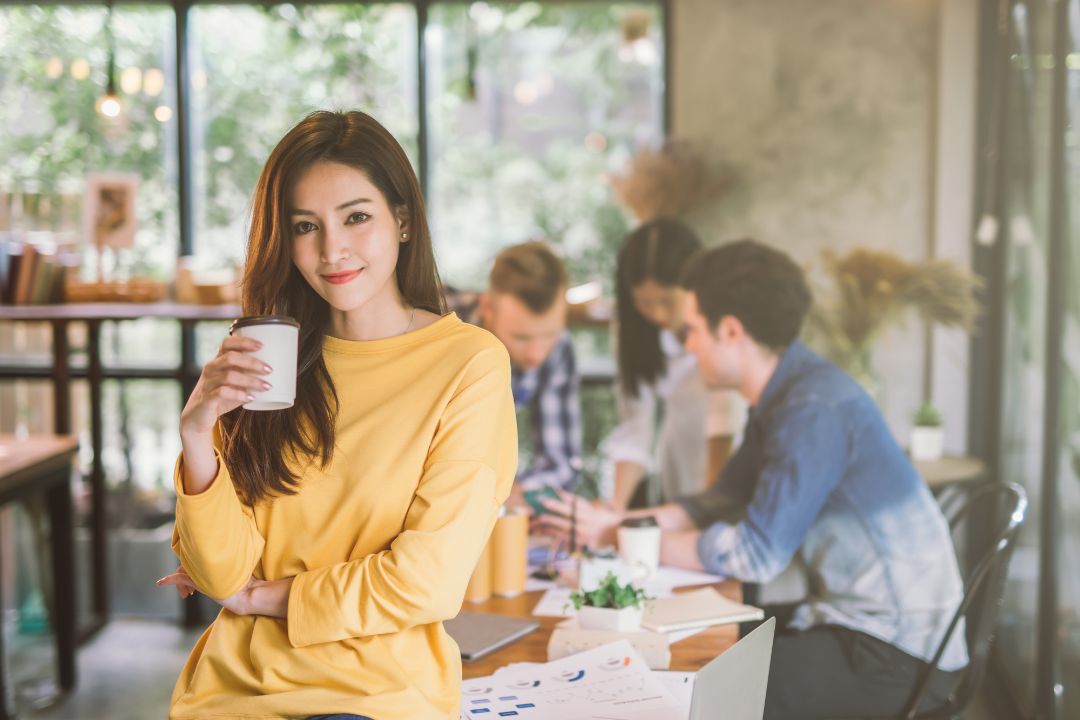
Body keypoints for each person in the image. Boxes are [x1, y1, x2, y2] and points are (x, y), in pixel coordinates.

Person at [157, 110, 517, 720]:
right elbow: (220, 575)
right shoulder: (269, 358)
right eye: (306, 225)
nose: (331, 250)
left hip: (374, 699)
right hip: (232, 696)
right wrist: (197, 433)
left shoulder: (468, 364)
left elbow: (424, 582)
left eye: (356, 216)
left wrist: (263, 597)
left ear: (401, 220)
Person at [538, 240, 967, 719]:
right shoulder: (789, 390)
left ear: (731, 331)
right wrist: (615, 521)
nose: (688, 344)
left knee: (703, 692)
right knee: (695, 658)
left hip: (897, 653)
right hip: (860, 626)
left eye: (694, 330)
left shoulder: (811, 410)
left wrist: (622, 536)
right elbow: (717, 501)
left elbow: (755, 555)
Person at [605, 217, 743, 509]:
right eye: (643, 302)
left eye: (667, 301)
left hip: (730, 465)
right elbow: (635, 426)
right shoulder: (631, 331)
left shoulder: (722, 320)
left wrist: (710, 504)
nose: (656, 313)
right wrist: (614, 506)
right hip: (678, 466)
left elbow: (724, 420)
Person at [446, 241, 581, 501]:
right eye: (520, 337)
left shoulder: (560, 348)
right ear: (487, 308)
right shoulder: (436, 320)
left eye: (549, 335)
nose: (536, 354)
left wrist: (511, 494)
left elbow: (560, 464)